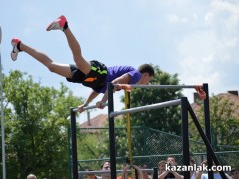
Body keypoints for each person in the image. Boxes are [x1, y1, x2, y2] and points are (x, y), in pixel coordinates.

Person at [11, 15, 155, 112]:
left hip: (96, 80)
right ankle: (64, 26)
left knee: (52, 67)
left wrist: (86, 104)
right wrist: (105, 101)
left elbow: (98, 89)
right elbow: (114, 83)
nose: (147, 84)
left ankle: (20, 46)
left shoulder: (130, 80)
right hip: (101, 74)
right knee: (79, 59)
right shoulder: (135, 75)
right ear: (146, 74)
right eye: (149, 81)